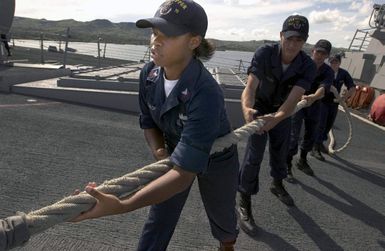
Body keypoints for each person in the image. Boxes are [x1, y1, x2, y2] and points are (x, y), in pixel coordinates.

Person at [72, 1, 239, 250]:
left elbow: (183, 177)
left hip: (217, 158)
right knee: (159, 219)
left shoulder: (206, 92)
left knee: (223, 217)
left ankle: (227, 246)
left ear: (194, 42)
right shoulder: (149, 74)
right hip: (175, 153)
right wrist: (161, 153)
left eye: (167, 35)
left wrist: (124, 205)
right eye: (154, 32)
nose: (155, 41)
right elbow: (149, 121)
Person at [238, 15, 316, 235]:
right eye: (289, 38)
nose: (293, 44)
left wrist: (277, 118)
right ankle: (244, 198)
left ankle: (277, 183)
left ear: (305, 41)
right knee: (253, 156)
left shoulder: (307, 66)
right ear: (281, 36)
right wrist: (247, 110)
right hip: (260, 109)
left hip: (283, 111)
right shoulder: (264, 53)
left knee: (280, 152)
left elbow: (293, 101)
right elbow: (251, 88)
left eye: (299, 39)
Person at [286, 39, 333, 178]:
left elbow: (324, 87)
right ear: (313, 50)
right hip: (297, 103)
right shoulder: (302, 65)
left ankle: (302, 160)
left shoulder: (328, 71)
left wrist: (313, 97)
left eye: (323, 53)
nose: (319, 55)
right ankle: (287, 164)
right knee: (293, 135)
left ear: (327, 55)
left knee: (311, 133)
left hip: (314, 104)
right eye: (318, 52)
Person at [312, 53, 355, 159]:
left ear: (339, 63)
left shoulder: (343, 73)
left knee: (328, 124)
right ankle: (315, 147)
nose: (333, 64)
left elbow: (352, 87)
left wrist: (344, 98)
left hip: (334, 103)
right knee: (321, 124)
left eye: (336, 62)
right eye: (331, 62)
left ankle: (320, 142)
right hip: (322, 101)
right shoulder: (325, 72)